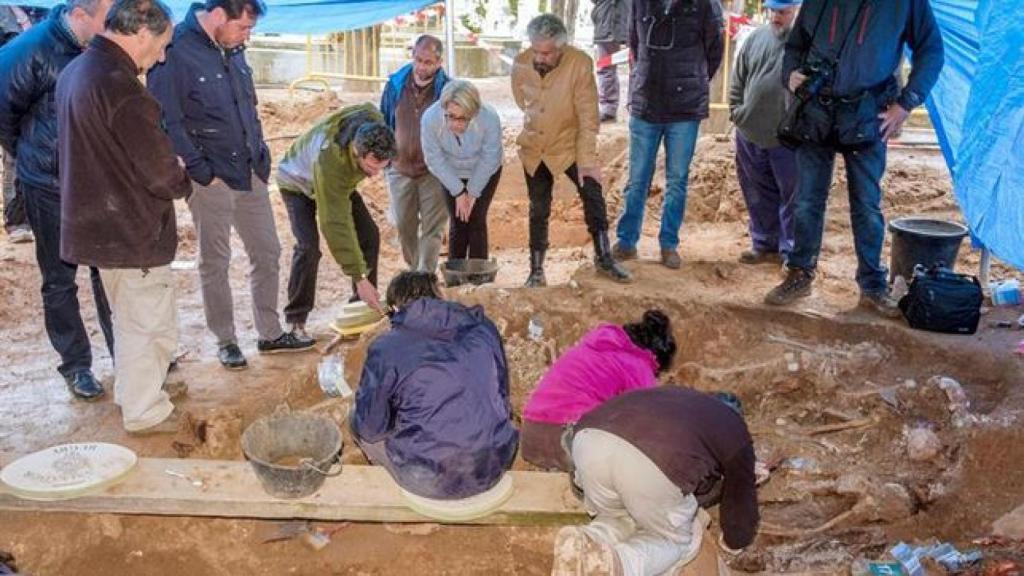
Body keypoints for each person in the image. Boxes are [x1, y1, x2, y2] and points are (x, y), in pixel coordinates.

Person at [148, 0, 313, 371]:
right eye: (244, 27)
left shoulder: (233, 47)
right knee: (215, 261)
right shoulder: (175, 48)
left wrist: (263, 155)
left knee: (267, 251)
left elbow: (248, 105)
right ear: (219, 15)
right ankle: (226, 340)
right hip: (211, 178)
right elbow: (166, 119)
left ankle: (270, 333)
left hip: (250, 171)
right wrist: (201, 171)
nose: (247, 36)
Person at [57, 0, 190, 433]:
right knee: (146, 323)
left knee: (128, 316)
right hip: (131, 228)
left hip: (96, 222)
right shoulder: (122, 87)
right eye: (164, 44)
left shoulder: (77, 71)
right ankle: (144, 410)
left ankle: (136, 390)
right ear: (143, 34)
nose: (164, 55)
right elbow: (159, 172)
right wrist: (181, 176)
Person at [765, 0, 944, 316]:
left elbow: (931, 51)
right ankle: (799, 273)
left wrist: (906, 103)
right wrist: (789, 73)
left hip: (869, 114)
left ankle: (872, 287)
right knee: (806, 201)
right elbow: (796, 44)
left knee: (866, 205)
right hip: (816, 113)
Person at [0, 0, 115, 400]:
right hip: (49, 183)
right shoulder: (28, 50)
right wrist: (38, 153)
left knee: (110, 269)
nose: (112, 26)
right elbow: (4, 114)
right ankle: (76, 364)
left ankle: (126, 352)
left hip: (97, 180)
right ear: (80, 15)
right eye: (106, 18)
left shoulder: (100, 48)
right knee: (60, 277)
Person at [552, 387, 758, 576]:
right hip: (649, 460)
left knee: (617, 517)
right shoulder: (734, 429)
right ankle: (617, 564)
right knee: (674, 540)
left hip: (588, 443)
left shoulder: (677, 396)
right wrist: (734, 542)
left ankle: (582, 544)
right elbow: (741, 499)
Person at [351, 271, 519, 500]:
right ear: (438, 295)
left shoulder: (387, 348)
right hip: (494, 462)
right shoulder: (483, 327)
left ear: (396, 308)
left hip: (430, 478)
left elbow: (370, 428)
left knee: (358, 419)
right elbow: (502, 393)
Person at [511, 14, 632, 288]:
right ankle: (537, 269)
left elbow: (589, 115)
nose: (540, 57)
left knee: (593, 195)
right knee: (538, 208)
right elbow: (522, 101)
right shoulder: (520, 63)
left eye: (548, 52)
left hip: (571, 144)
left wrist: (587, 161)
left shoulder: (579, 63)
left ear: (561, 48)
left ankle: (604, 257)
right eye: (536, 50)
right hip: (535, 146)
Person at [612, 0, 724, 270]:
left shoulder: (705, 5)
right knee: (637, 179)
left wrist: (691, 81)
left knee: (677, 180)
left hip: (685, 108)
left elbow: (714, 50)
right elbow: (635, 45)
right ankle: (626, 242)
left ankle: (669, 244)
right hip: (645, 103)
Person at [277, 103, 396, 324]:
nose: (373, 176)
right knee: (308, 248)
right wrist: (358, 276)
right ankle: (296, 320)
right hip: (297, 183)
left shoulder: (375, 127)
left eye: (381, 168)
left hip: (341, 182)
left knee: (369, 235)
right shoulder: (331, 159)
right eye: (371, 168)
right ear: (357, 151)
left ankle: (361, 307)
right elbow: (335, 223)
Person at [521, 309, 675, 471]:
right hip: (567, 440)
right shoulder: (639, 366)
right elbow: (650, 430)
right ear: (656, 357)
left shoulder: (594, 346)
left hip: (531, 435)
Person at [729, 0, 801, 265]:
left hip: (788, 136)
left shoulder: (807, 44)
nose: (775, 16)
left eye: (782, 12)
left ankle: (791, 252)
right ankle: (764, 243)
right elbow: (738, 77)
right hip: (750, 130)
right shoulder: (755, 39)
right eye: (772, 11)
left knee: (793, 195)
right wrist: (736, 110)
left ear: (796, 10)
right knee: (757, 191)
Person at [380, 35, 451, 274]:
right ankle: (414, 272)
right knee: (404, 226)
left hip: (434, 172)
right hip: (399, 170)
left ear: (439, 62)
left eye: (428, 62)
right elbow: (384, 121)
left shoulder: (447, 90)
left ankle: (426, 277)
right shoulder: (395, 85)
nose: (421, 67)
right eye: (418, 60)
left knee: (433, 229)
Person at [421, 79, 502, 261]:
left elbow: (490, 157)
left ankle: (478, 278)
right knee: (458, 220)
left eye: (462, 118)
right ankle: (455, 275)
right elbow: (434, 158)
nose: (456, 124)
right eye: (450, 116)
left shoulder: (489, 118)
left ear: (473, 113)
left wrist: (472, 192)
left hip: (483, 169)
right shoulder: (430, 119)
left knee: (476, 218)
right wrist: (458, 191)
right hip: (450, 170)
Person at [0, 4, 33, 243]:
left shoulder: (42, 11)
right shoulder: (4, 11)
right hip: (11, 94)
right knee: (13, 156)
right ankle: (17, 220)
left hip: (43, 92)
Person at [590, 0, 630, 122]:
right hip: (605, 21)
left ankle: (637, 107)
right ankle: (608, 110)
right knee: (605, 67)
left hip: (632, 20)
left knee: (639, 67)